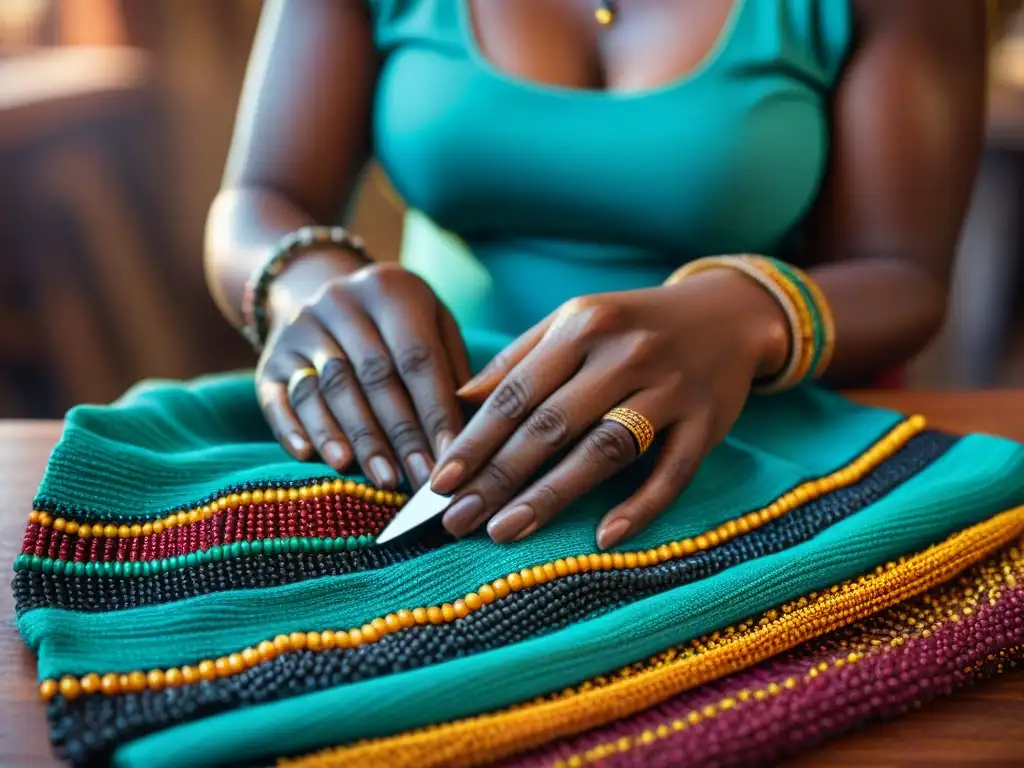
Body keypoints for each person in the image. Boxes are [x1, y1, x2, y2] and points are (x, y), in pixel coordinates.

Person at [205, 0, 987, 551]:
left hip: (756, 435)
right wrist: (305, 281)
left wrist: (743, 312)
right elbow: (261, 198)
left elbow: (904, 274)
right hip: (431, 430)